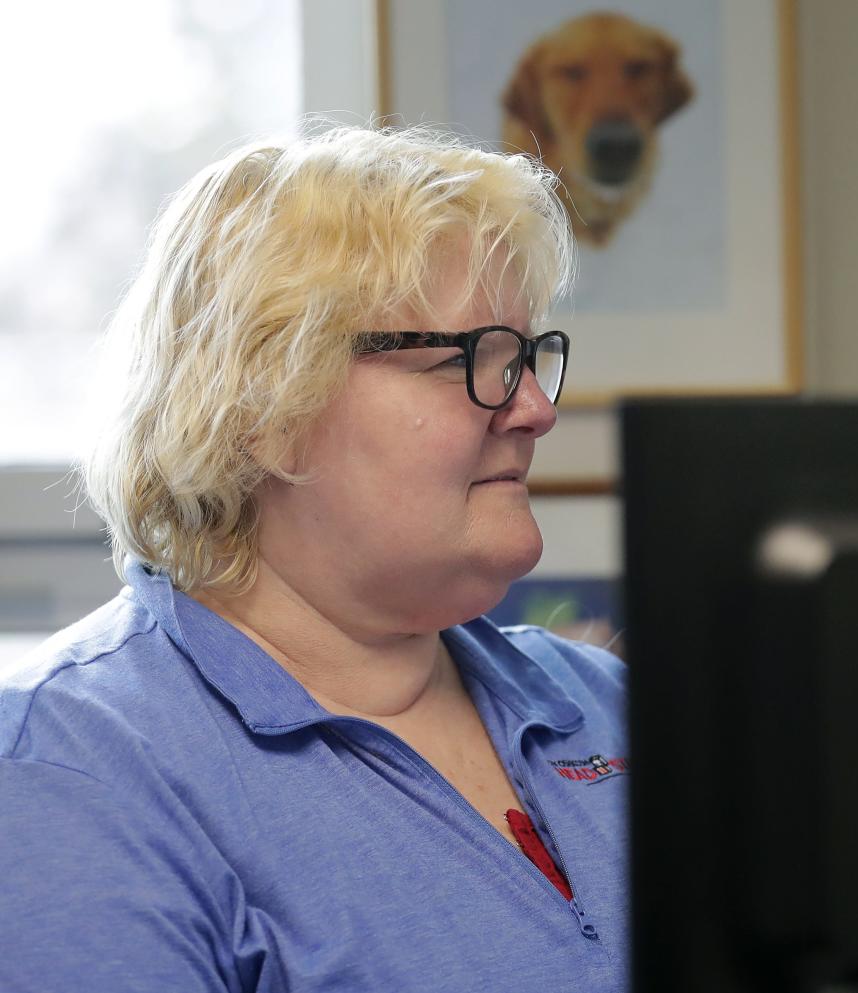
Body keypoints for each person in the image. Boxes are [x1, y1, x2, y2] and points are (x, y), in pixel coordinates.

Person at [0, 126, 628, 992]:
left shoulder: (599, 702)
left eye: (526, 356)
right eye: (476, 358)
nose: (533, 410)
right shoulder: (70, 770)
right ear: (263, 402)